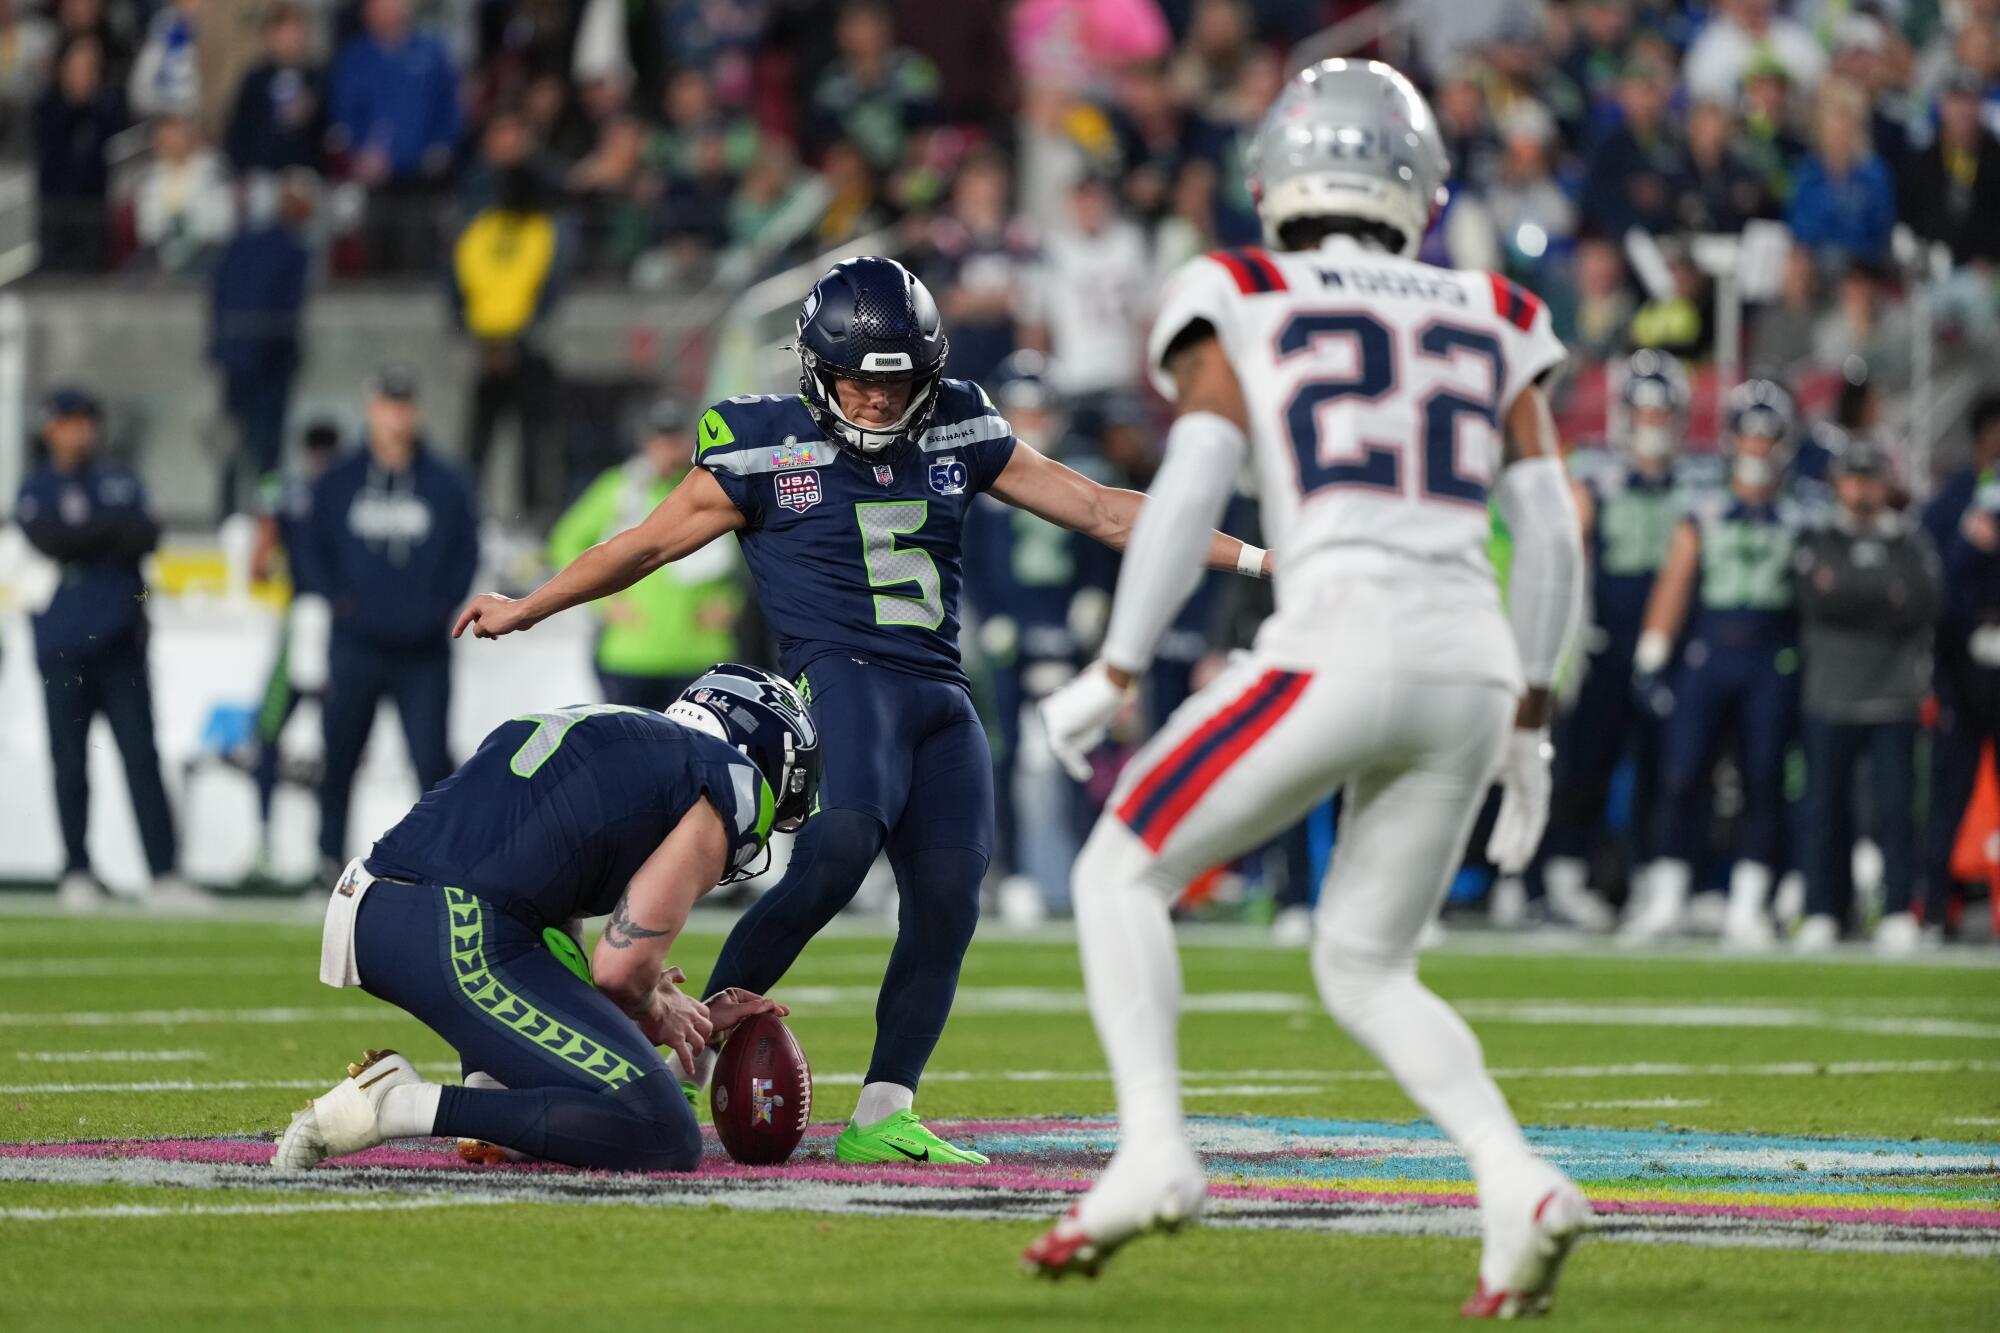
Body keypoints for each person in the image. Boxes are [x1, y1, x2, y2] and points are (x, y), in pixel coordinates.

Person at [456, 255, 1267, 1166]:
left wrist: (1261, 559)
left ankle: (885, 1109)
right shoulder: (761, 444)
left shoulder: (959, 420)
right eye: (857, 380)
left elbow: (1103, 510)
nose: (878, 400)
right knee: (839, 847)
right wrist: (529, 604)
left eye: (897, 381)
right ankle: (679, 1045)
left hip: (941, 690)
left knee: (949, 896)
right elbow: (644, 547)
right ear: (816, 368)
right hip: (840, 676)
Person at [1023, 62, 1591, 1317]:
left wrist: (1116, 668)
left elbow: (1191, 484)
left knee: (1118, 870)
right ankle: (1515, 1179)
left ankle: (1154, 1148)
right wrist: (1530, 724)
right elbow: (1551, 532)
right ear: (1419, 190)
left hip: (1336, 636)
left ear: (1275, 176)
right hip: (1472, 664)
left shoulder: (1243, 286)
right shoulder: (1496, 305)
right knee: (1365, 963)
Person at [272, 667, 817, 1173]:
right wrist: (654, 1004)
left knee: (572, 1111)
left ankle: (489, 1096)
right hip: (458, 927)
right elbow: (620, 971)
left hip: (387, 908)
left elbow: (564, 958)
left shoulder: (617, 735)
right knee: (664, 1132)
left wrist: (667, 1014)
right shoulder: (730, 779)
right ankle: (396, 1104)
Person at [1624, 380, 1804, 949]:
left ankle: (1748, 902)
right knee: (1682, 773)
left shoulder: (1801, 512)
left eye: (1766, 436)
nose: (1756, 446)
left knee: (1762, 778)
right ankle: (1669, 894)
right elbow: (1676, 581)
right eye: (1748, 435)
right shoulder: (1702, 507)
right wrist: (1654, 649)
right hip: (1709, 651)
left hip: (1770, 653)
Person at [16, 388, 206, 911]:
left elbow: (145, 533)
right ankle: (76, 869)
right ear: (51, 428)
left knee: (142, 759)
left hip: (122, 646)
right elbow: (49, 538)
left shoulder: (120, 478)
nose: (78, 431)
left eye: (85, 420)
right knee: (70, 762)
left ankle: (164, 873)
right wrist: (107, 534)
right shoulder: (39, 485)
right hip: (64, 650)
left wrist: (86, 537)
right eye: (68, 421)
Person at [295, 368, 477, 877]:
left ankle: (439, 864)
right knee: (340, 754)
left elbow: (466, 550)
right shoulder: (338, 480)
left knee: (431, 760)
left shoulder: (445, 482)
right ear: (370, 409)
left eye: (404, 406)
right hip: (356, 644)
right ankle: (327, 859)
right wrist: (340, 602)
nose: (396, 417)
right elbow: (310, 549)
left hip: (423, 650)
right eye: (387, 406)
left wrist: (440, 607)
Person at [1538, 351, 1691, 930]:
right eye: (1643, 411)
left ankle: (1652, 876)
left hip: (1671, 640)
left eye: (1660, 412)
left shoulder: (1694, 482)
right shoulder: (1595, 472)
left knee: (1663, 764)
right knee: (1586, 759)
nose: (1651, 423)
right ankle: (1563, 874)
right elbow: (1565, 548)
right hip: (1605, 635)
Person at [1791, 438, 1940, 951]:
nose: (1861, 491)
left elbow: (1922, 603)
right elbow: (1817, 600)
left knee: (1897, 810)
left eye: (1870, 479)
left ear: (1885, 484)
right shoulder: (1817, 536)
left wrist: (1850, 592)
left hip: (1894, 696)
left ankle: (1898, 908)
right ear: (1838, 484)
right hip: (1830, 694)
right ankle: (1822, 908)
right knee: (1824, 810)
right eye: (1853, 479)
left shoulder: (1909, 541)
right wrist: (1883, 596)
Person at [546, 398, 743, 710]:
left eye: (675, 440)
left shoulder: (716, 487)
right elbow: (565, 542)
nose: (668, 450)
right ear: (646, 443)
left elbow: (748, 555)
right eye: (660, 441)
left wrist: (732, 601)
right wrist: (602, 602)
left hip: (700, 653)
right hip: (630, 655)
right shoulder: (618, 488)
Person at [1917, 393, 2000, 950]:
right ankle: (1933, 904)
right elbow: (1934, 583)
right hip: (1963, 668)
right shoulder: (1954, 499)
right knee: (1948, 791)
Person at [246, 419, 342, 876]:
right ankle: (325, 852)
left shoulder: (290, 493)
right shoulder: (348, 494)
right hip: (337, 624)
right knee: (335, 740)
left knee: (273, 732)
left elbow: (259, 564)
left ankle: (273, 843)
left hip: (311, 620)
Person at [209, 168, 314, 515]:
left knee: (234, 440)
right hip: (270, 362)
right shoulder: (293, 251)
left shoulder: (242, 243)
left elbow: (218, 296)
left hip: (237, 358)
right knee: (268, 447)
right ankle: (267, 511)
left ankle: (226, 509)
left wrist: (218, 348)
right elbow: (289, 307)